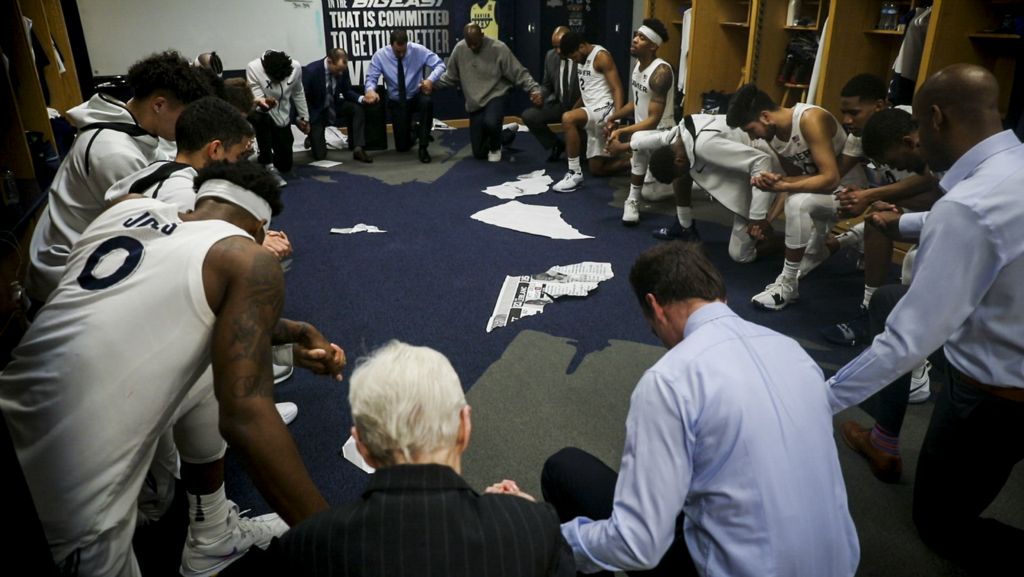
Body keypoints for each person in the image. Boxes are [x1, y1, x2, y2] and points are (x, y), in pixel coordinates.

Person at [0, 161, 347, 577]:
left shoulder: (125, 210)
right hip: (64, 497)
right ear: (259, 228)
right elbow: (246, 419)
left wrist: (295, 332)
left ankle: (213, 532)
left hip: (12, 412)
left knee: (205, 374)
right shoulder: (248, 258)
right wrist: (336, 541)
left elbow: (171, 303)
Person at [537, 242, 858, 577]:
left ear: (655, 307)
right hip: (839, 567)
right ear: (721, 295)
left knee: (565, 469)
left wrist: (545, 540)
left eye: (652, 325)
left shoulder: (670, 379)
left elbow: (637, 545)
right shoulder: (794, 352)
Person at [827, 64, 1024, 575]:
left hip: (992, 395)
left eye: (917, 125)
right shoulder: (1013, 165)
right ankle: (886, 438)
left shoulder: (969, 205)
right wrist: (905, 220)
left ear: (936, 118)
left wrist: (813, 400)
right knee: (891, 297)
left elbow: (906, 343)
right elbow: (994, 225)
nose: (915, 139)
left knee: (940, 526)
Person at [223, 341, 574, 576]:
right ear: (464, 427)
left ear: (360, 445)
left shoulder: (306, 545)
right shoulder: (534, 527)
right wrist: (513, 514)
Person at [24, 51, 212, 313]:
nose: (188, 123)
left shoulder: (131, 128)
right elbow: (157, 228)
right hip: (66, 278)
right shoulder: (114, 152)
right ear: (158, 105)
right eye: (185, 113)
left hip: (87, 254)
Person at [725, 83, 847, 310]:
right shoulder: (774, 137)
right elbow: (796, 181)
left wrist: (782, 184)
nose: (753, 137)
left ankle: (788, 286)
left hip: (849, 193)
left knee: (798, 204)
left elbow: (831, 178)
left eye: (751, 129)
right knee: (813, 252)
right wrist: (768, 219)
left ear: (765, 116)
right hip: (819, 195)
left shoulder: (810, 119)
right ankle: (850, 239)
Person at [608, 113, 783, 263]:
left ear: (678, 161)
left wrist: (758, 218)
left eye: (676, 172)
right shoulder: (679, 137)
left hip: (764, 170)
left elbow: (762, 161)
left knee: (740, 256)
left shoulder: (705, 146)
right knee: (687, 172)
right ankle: (685, 226)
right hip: (739, 164)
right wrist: (623, 147)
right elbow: (656, 139)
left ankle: (781, 241)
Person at [603, 19, 675, 225]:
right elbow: (636, 102)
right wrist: (613, 117)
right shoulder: (638, 66)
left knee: (638, 138)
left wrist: (620, 133)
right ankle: (683, 180)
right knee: (651, 194)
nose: (634, 40)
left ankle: (632, 200)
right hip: (644, 133)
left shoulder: (661, 73)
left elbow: (653, 121)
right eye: (636, 35)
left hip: (663, 132)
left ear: (653, 46)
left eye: (642, 38)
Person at [436, 23, 542, 162]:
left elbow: (518, 73)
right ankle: (506, 133)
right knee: (479, 153)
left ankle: (495, 148)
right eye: (469, 44)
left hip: (496, 94)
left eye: (475, 43)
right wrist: (431, 85)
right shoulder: (460, 49)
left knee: (491, 122)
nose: (473, 47)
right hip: (475, 102)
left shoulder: (499, 48)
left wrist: (533, 89)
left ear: (482, 35)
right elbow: (450, 76)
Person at [551, 31, 626, 192]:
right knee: (597, 169)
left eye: (574, 56)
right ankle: (636, 161)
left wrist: (617, 119)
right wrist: (575, 109)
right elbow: (587, 90)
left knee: (568, 118)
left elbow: (617, 88)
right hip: (592, 109)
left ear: (582, 46)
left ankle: (574, 172)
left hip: (606, 109)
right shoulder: (581, 58)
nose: (574, 60)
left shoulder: (601, 57)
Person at [363, 30, 446, 163]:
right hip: (397, 101)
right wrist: (370, 90)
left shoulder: (418, 50)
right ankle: (415, 129)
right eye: (397, 51)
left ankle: (423, 147)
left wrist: (430, 80)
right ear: (391, 45)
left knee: (427, 102)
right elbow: (371, 78)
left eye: (404, 51)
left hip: (415, 95)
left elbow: (440, 65)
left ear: (407, 44)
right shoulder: (380, 56)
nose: (401, 54)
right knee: (402, 147)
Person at [246, 49, 310, 186]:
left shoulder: (296, 67)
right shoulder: (253, 68)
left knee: (285, 165)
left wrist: (304, 117)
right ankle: (267, 164)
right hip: (264, 115)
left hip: (284, 116)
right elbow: (257, 100)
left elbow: (298, 93)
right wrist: (265, 104)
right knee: (260, 118)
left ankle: (261, 159)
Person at [301, 48, 372, 164]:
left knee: (357, 109)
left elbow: (347, 91)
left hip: (334, 106)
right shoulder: (311, 71)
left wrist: (362, 98)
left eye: (342, 71)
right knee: (320, 156)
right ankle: (312, 137)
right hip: (317, 111)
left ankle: (358, 148)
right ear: (329, 61)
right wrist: (305, 120)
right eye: (338, 70)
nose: (340, 73)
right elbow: (302, 98)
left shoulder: (343, 69)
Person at [521, 26, 579, 162]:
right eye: (555, 47)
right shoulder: (550, 56)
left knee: (581, 158)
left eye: (561, 47)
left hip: (580, 106)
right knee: (529, 116)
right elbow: (547, 85)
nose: (558, 51)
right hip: (560, 104)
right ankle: (556, 145)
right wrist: (540, 94)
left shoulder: (581, 57)